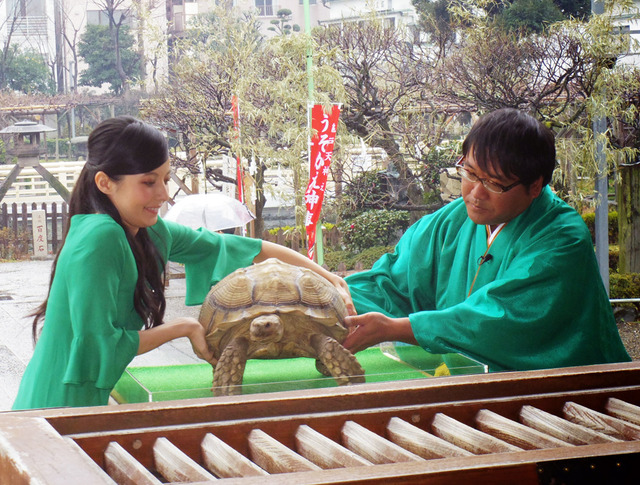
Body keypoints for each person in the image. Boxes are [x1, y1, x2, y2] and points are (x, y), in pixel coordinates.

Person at [12, 116, 353, 410]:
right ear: (105, 183)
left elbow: (242, 248)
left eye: (164, 178)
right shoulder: (99, 237)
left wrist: (328, 278)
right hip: (54, 405)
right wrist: (184, 327)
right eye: (149, 182)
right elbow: (101, 348)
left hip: (82, 401)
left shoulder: (147, 231)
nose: (163, 194)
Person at [342, 108, 631, 372]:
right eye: (469, 173)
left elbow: (500, 319)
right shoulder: (453, 220)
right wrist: (331, 296)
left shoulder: (561, 236)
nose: (475, 193)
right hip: (474, 390)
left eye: (495, 184)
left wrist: (397, 329)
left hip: (573, 396)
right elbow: (391, 283)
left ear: (535, 185)